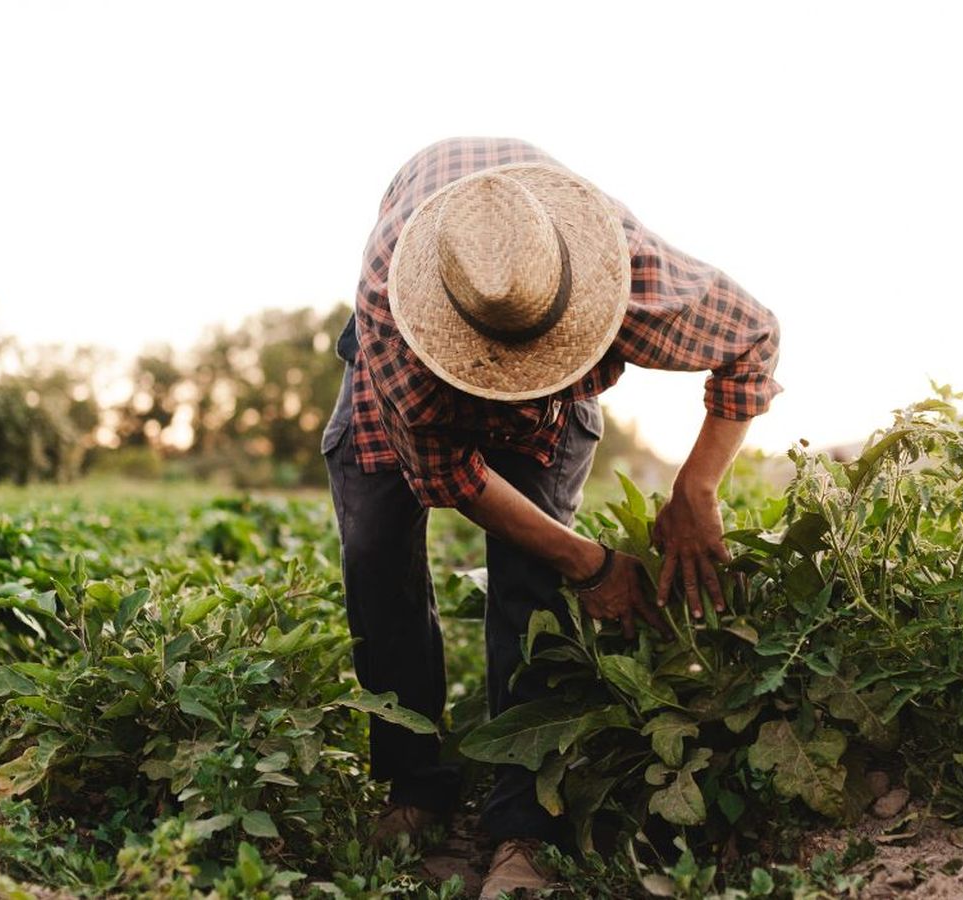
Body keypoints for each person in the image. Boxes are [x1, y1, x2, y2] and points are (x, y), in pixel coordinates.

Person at [320, 138, 781, 898]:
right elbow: (450, 476)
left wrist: (697, 490)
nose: (511, 390)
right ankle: (415, 786)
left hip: (557, 310)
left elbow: (753, 340)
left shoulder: (624, 270)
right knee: (375, 557)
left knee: (532, 585)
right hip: (405, 378)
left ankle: (522, 828)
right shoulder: (395, 318)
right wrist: (592, 563)